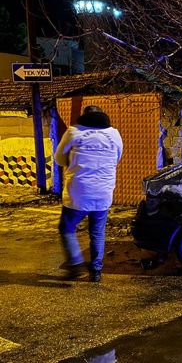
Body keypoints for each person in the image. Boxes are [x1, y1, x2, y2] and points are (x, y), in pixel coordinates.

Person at [54, 105, 123, 282]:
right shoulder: (114, 134)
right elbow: (117, 157)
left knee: (67, 228)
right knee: (97, 232)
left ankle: (76, 262)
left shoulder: (74, 132)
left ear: (84, 116)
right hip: (103, 192)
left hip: (79, 192)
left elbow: (59, 158)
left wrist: (72, 162)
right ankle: (96, 271)